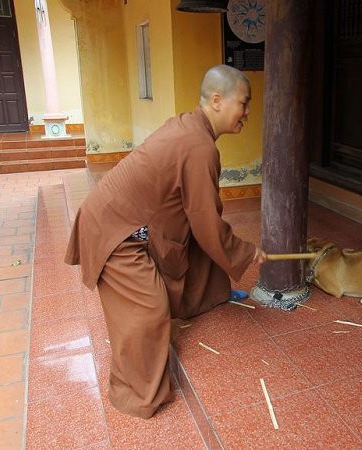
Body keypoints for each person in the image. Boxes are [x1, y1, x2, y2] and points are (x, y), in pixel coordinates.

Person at [65, 64, 267, 419]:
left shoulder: (191, 127)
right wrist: (247, 251)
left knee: (195, 246)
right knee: (149, 310)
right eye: (244, 103)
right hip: (116, 229)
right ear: (217, 100)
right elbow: (207, 222)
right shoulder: (199, 147)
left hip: (129, 219)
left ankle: (208, 295)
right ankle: (135, 394)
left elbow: (197, 216)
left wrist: (229, 246)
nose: (248, 113)